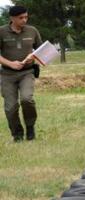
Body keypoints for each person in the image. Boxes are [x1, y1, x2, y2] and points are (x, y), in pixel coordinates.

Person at [0, 5, 43, 142]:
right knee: (10, 107)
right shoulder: (1, 32)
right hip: (7, 74)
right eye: (21, 18)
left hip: (27, 73)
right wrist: (10, 63)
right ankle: (17, 134)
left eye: (26, 17)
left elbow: (42, 50)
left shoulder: (32, 31)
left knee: (27, 99)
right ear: (12, 18)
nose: (24, 20)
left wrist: (34, 56)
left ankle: (30, 128)